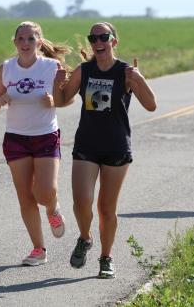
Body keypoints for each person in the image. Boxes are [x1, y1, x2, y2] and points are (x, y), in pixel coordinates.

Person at [53, 22, 156, 278]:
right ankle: (86, 238)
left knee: (106, 209)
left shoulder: (126, 72)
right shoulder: (84, 70)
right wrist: (57, 83)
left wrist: (139, 80)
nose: (98, 41)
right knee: (81, 202)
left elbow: (151, 105)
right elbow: (62, 99)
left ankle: (106, 257)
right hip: (86, 145)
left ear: (114, 41)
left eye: (104, 37)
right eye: (93, 37)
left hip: (116, 148)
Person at [0, 21, 72, 266]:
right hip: (15, 137)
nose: (25, 43)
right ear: (14, 42)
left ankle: (53, 208)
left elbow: (66, 99)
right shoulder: (6, 68)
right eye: (21, 39)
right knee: (25, 197)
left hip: (45, 134)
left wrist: (53, 101)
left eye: (31, 39)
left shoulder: (51, 67)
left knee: (44, 192)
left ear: (39, 42)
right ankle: (38, 249)